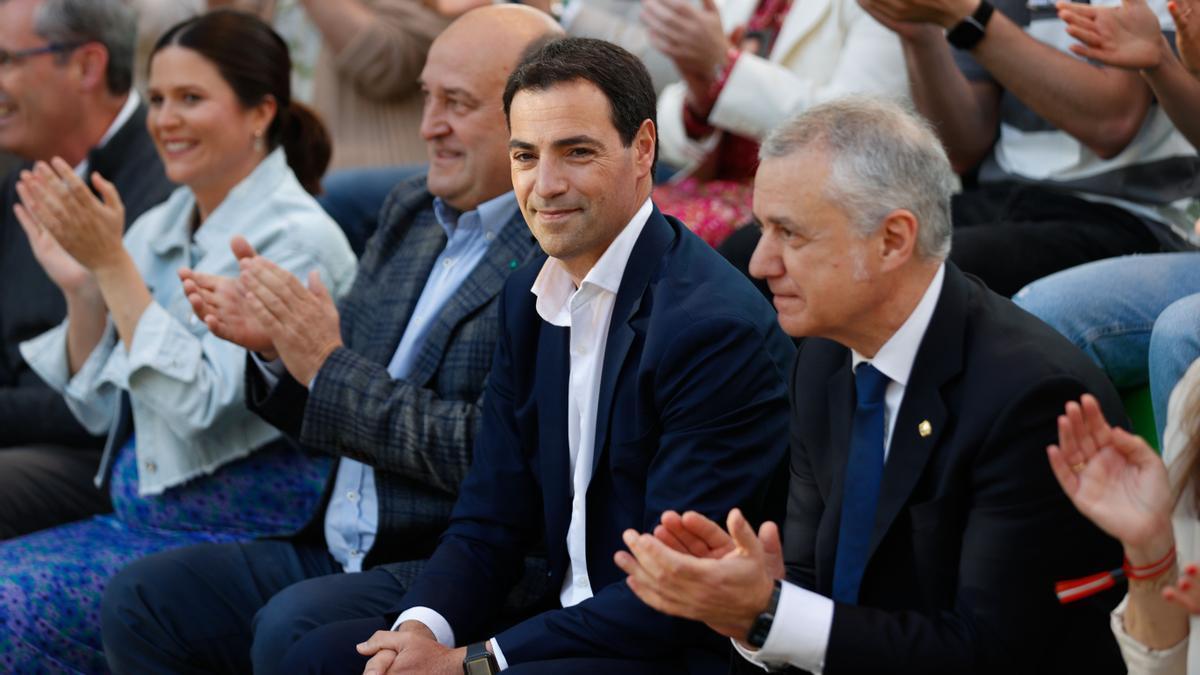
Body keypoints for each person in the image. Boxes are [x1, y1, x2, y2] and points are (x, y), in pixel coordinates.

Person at [303, 37, 796, 675]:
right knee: (321, 657)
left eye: (577, 152)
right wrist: (419, 632)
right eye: (525, 156)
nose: (546, 185)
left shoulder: (712, 330)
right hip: (554, 615)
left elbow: (675, 592)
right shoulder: (527, 296)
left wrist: (472, 663)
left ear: (644, 148)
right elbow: (489, 516)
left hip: (665, 648)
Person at [99, 7, 561, 674]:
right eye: (427, 98)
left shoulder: (553, 249)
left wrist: (325, 363)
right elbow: (336, 407)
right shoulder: (411, 209)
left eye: (456, 104)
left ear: (538, 118)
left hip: (447, 560)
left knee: (292, 627)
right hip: (336, 536)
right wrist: (277, 352)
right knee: (143, 599)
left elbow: (486, 455)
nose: (428, 125)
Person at [615, 96, 1127, 674]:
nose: (760, 263)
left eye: (790, 234)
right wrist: (752, 601)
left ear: (893, 240)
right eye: (762, 229)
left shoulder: (1032, 399)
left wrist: (769, 614)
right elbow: (811, 583)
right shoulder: (822, 359)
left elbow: (988, 652)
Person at [0, 10, 356, 672]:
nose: (165, 119)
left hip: (235, 532)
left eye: (191, 98)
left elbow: (197, 408)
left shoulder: (296, 238)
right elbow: (99, 412)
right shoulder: (161, 224)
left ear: (260, 112)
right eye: (159, 98)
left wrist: (112, 266)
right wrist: (84, 291)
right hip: (141, 518)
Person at [858, 0, 1198, 298]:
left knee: (925, 270)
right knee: (857, 243)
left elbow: (1111, 123)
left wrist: (971, 18)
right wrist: (921, 34)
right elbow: (963, 150)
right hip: (1004, 199)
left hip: (1123, 215)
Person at [0, 0, 175, 540]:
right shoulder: (22, 177)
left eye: (5, 60)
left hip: (118, 459)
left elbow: (122, 398)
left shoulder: (172, 177)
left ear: (86, 66)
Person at [1013, 0, 1200, 443]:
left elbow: (1110, 125)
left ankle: (1173, 493)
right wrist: (1166, 64)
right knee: (1042, 312)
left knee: (1183, 331)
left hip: (1134, 218)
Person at [646, 0, 909, 247]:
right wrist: (700, 100)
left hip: (810, 198)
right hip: (707, 182)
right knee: (630, 219)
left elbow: (862, 127)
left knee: (654, 240)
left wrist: (727, 69)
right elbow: (672, 134)